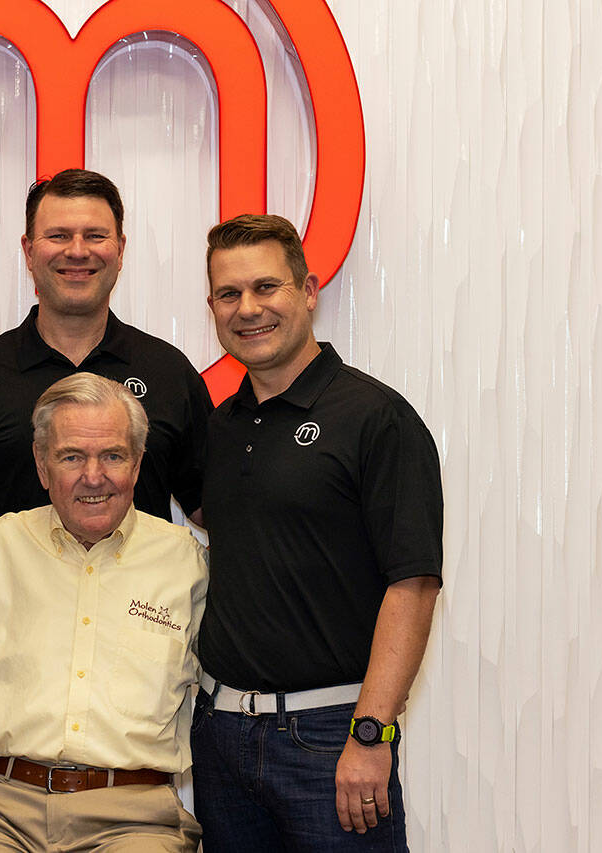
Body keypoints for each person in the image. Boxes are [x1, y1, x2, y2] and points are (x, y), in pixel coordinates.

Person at [192, 214, 443, 851]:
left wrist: (371, 736)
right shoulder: (221, 427)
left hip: (331, 739)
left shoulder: (376, 419)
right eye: (229, 294)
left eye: (266, 287)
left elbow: (412, 587)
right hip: (220, 738)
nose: (248, 308)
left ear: (308, 291)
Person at [0, 168, 213, 770]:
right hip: (9, 707)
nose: (76, 251)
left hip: (128, 711)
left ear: (120, 250)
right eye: (57, 235)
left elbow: (218, 510)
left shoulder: (169, 376)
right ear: (27, 250)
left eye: (95, 235)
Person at [0, 373, 207, 851]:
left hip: (135, 821)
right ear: (42, 467)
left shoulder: (186, 562)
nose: (93, 476)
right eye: (71, 457)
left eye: (112, 455)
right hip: (2, 813)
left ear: (138, 463)